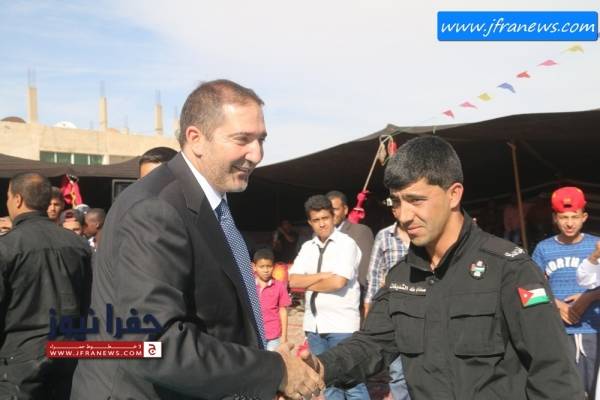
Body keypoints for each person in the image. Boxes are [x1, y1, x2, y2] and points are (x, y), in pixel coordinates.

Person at [70, 79, 322, 400]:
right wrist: (273, 371)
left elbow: (217, 318)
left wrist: (266, 369)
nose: (257, 154)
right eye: (242, 139)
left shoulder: (209, 203)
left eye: (261, 139)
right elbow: (156, 345)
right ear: (196, 138)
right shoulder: (156, 209)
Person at [303, 135, 584, 400]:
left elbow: (555, 374)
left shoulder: (510, 269)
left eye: (416, 200)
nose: (404, 216)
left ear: (454, 194)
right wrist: (317, 367)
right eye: (396, 202)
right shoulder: (402, 277)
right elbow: (370, 345)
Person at [0, 173, 92, 399]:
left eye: (8, 197)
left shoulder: (7, 247)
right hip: (71, 356)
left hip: (19, 363)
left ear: (18, 200)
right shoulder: (79, 245)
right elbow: (92, 299)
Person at [289, 194, 370, 400]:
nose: (322, 224)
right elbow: (293, 281)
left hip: (342, 326)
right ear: (310, 222)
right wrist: (322, 276)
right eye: (316, 220)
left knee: (352, 384)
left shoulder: (346, 244)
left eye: (325, 218)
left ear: (333, 217)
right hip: (314, 327)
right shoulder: (307, 247)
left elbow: (338, 282)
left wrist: (308, 282)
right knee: (328, 383)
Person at [532, 186, 600, 398]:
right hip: (558, 332)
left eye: (574, 217)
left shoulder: (596, 246)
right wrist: (555, 303)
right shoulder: (543, 249)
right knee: (565, 390)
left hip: (593, 329)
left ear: (584, 217)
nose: (569, 223)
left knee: (594, 388)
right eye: (563, 217)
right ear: (555, 218)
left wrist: (589, 296)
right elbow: (529, 290)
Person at [364, 197, 410, 400]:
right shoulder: (384, 236)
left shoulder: (424, 235)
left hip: (424, 309)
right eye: (397, 207)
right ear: (394, 211)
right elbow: (374, 275)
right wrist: (369, 309)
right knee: (398, 372)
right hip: (394, 310)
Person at [326, 190, 374, 315]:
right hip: (325, 301)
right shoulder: (319, 234)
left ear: (345, 209)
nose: (331, 214)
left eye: (335, 209)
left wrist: (364, 303)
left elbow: (365, 272)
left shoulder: (359, 231)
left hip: (350, 303)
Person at [253, 248, 291, 351]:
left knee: (271, 359)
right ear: (254, 267)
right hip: (254, 334)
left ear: (273, 267)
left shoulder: (279, 286)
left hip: (273, 336)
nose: (266, 270)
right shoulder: (249, 285)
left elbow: (283, 311)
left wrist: (284, 337)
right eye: (262, 267)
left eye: (269, 266)